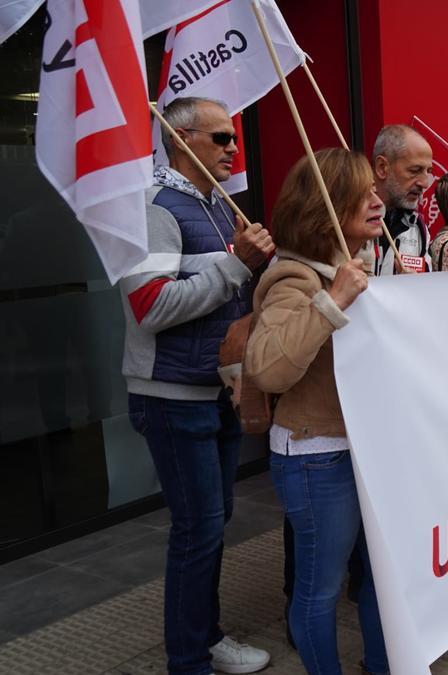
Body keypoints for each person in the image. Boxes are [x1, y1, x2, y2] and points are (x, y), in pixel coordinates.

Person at [120, 97, 273, 675]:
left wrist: (249, 265)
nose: (235, 147)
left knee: (212, 524)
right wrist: (237, 264)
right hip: (172, 396)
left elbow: (220, 297)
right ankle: (188, 659)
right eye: (220, 138)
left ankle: (205, 639)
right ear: (181, 142)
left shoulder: (212, 206)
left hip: (215, 391)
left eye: (234, 137)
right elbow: (151, 307)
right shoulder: (157, 208)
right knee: (199, 530)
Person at [245, 148, 387, 675]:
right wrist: (332, 300)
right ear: (326, 206)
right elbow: (266, 368)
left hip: (364, 448)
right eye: (363, 194)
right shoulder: (294, 278)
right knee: (319, 588)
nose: (377, 201)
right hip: (317, 456)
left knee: (380, 578)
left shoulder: (355, 266)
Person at [371, 124, 433, 275]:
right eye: (415, 171)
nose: (424, 183)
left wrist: (414, 287)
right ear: (382, 168)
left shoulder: (418, 228)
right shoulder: (347, 220)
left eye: (428, 171)